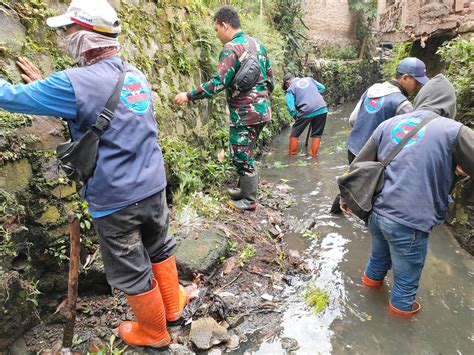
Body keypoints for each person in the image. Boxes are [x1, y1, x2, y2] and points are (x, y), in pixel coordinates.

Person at [0, 0, 187, 348]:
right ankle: (173, 310)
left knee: (131, 265)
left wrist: (44, 88)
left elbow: (10, 97)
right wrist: (50, 87)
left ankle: (155, 333)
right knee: (159, 245)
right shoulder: (133, 74)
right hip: (153, 184)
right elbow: (98, 104)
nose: (65, 37)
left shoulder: (74, 82)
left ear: (84, 37)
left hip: (116, 198)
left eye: (69, 30)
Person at [341, 74, 474, 315]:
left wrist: (345, 199)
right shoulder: (455, 131)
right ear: (449, 105)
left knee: (378, 260)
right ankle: (398, 332)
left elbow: (358, 165)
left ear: (422, 98)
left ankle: (366, 301)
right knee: (405, 284)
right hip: (410, 221)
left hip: (377, 214)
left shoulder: (389, 124)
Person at [174, 5, 274, 211]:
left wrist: (189, 95)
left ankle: (249, 200)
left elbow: (218, 83)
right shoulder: (258, 45)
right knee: (245, 151)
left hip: (245, 114)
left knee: (239, 154)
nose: (217, 34)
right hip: (262, 111)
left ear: (225, 25)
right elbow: (270, 80)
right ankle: (245, 191)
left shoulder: (231, 49)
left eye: (217, 29)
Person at [347, 57, 429, 164]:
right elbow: (410, 139)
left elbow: (352, 120)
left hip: (354, 150)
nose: (418, 86)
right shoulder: (402, 104)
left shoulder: (371, 90)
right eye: (417, 82)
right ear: (405, 78)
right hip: (374, 160)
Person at [282, 74, 328, 157]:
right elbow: (322, 88)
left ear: (288, 82)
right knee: (317, 134)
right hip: (322, 108)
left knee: (294, 134)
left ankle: (292, 155)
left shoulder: (290, 89)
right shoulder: (309, 79)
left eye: (286, 85)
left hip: (306, 110)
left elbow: (291, 108)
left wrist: (296, 116)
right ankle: (313, 156)